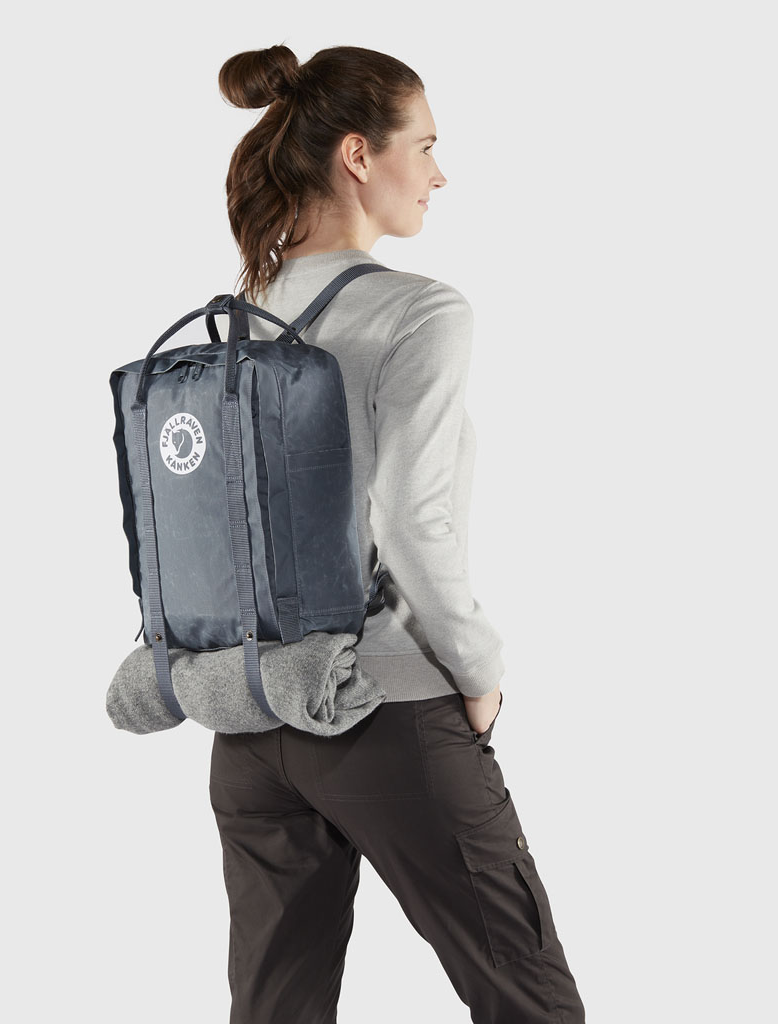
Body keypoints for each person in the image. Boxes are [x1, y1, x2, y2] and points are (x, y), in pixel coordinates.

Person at [209, 44, 586, 1023]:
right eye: (423, 145)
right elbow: (411, 519)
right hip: (386, 708)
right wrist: (478, 669)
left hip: (253, 719)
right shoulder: (421, 312)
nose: (438, 172)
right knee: (531, 999)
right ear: (357, 155)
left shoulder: (245, 315)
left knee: (275, 1010)